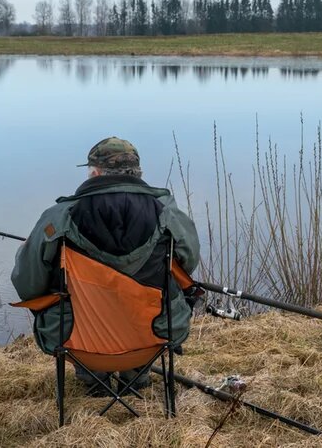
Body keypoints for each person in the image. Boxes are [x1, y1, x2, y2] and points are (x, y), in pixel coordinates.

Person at [10, 136, 200, 394]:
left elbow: (27, 283)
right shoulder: (168, 214)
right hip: (154, 337)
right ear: (137, 173)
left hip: (77, 342)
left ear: (96, 173)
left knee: (60, 295)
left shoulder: (59, 217)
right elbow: (187, 264)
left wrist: (26, 252)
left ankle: (93, 381)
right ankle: (135, 379)